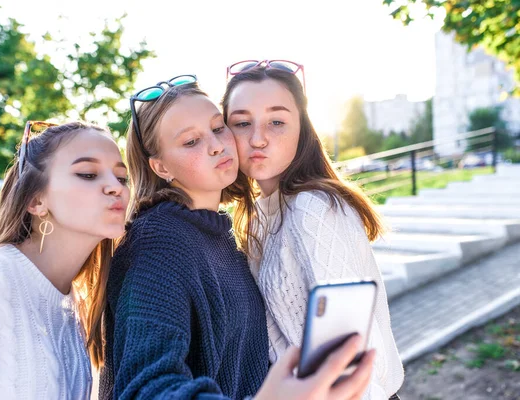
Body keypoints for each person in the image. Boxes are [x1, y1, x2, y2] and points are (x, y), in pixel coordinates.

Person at [99, 75, 376, 400]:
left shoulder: (219, 235)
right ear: (160, 167)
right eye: (191, 142)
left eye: (218, 128)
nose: (217, 145)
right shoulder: (158, 241)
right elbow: (146, 389)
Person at [221, 60, 405, 399]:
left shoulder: (313, 207)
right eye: (242, 123)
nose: (258, 138)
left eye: (277, 122)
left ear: (302, 130)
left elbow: (352, 350)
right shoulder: (255, 216)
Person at [0, 121, 129, 399]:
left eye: (121, 177)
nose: (115, 187)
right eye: (88, 174)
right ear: (36, 201)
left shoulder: (74, 306)